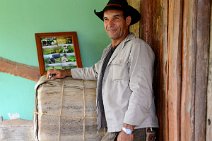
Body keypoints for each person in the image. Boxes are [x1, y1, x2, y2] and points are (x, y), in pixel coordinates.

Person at [47, 0, 158, 140]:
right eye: (106, 19)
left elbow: (142, 90)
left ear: (128, 20)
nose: (109, 24)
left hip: (136, 128)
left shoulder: (137, 48)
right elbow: (95, 71)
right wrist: (66, 73)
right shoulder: (108, 51)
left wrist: (128, 129)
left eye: (116, 18)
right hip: (116, 127)